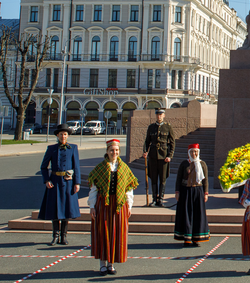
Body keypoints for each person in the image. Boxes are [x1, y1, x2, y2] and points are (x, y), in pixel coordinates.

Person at [88, 139, 139, 275]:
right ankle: (102, 264)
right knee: (103, 233)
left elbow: (129, 189)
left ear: (119, 152)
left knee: (116, 234)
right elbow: (94, 188)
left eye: (116, 150)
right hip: (103, 204)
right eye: (111, 150)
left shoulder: (124, 168)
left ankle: (111, 264)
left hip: (119, 205)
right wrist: (92, 206)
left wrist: (129, 205)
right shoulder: (100, 168)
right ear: (107, 152)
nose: (114, 153)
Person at [39, 123, 80, 246]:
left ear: (68, 136)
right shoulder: (51, 149)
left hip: (68, 182)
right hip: (55, 182)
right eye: (61, 134)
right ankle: (55, 236)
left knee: (67, 209)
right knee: (55, 209)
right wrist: (47, 180)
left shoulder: (73, 148)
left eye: (65, 134)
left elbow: (76, 166)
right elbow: (43, 167)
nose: (63, 136)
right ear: (57, 135)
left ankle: (64, 236)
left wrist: (77, 182)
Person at [174, 144, 210, 247]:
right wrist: (177, 192)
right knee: (187, 214)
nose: (194, 154)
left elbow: (205, 180)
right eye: (192, 152)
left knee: (197, 214)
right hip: (186, 191)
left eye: (196, 152)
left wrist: (205, 193)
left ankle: (196, 238)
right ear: (188, 152)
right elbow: (179, 179)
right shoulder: (184, 164)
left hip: (198, 191)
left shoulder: (202, 164)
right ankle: (187, 238)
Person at [142, 109, 175, 207]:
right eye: (157, 114)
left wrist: (170, 156)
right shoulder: (151, 127)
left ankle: (161, 199)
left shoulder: (168, 127)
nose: (159, 116)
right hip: (152, 156)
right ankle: (154, 199)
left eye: (161, 114)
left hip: (164, 157)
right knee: (153, 178)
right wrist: (145, 152)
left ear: (164, 115)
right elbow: (147, 141)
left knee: (163, 179)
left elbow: (172, 143)